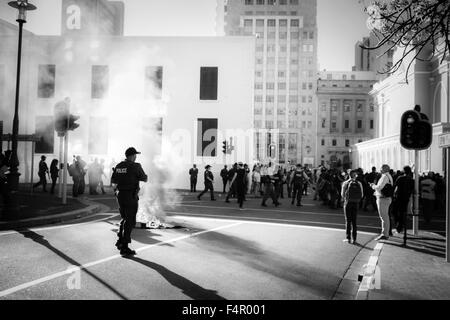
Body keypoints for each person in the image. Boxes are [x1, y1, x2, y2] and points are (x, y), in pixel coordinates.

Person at [111, 147, 148, 256]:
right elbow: (144, 178)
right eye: (135, 155)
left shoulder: (118, 166)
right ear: (132, 156)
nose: (136, 157)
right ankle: (124, 246)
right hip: (130, 196)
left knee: (124, 218)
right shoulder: (135, 166)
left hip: (120, 195)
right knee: (130, 221)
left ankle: (120, 240)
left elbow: (113, 181)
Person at [370, 164, 394, 241]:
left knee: (384, 217)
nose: (380, 170)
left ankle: (385, 234)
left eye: (381, 168)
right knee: (385, 216)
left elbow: (379, 187)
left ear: (384, 169)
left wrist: (373, 186)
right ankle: (386, 233)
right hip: (387, 198)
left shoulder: (384, 176)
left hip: (383, 198)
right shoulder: (389, 176)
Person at [341, 170, 364, 244]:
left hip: (348, 203)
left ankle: (348, 238)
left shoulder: (345, 183)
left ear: (349, 175)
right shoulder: (359, 183)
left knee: (348, 220)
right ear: (355, 176)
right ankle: (355, 238)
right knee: (354, 221)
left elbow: (342, 194)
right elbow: (362, 195)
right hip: (356, 203)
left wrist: (345, 198)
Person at [393, 166, 414, 233]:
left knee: (394, 211)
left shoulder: (400, 178)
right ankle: (400, 226)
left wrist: (394, 195)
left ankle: (398, 224)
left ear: (404, 171)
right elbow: (412, 189)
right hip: (406, 198)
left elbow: (396, 187)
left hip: (398, 197)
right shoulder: (411, 180)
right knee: (402, 212)